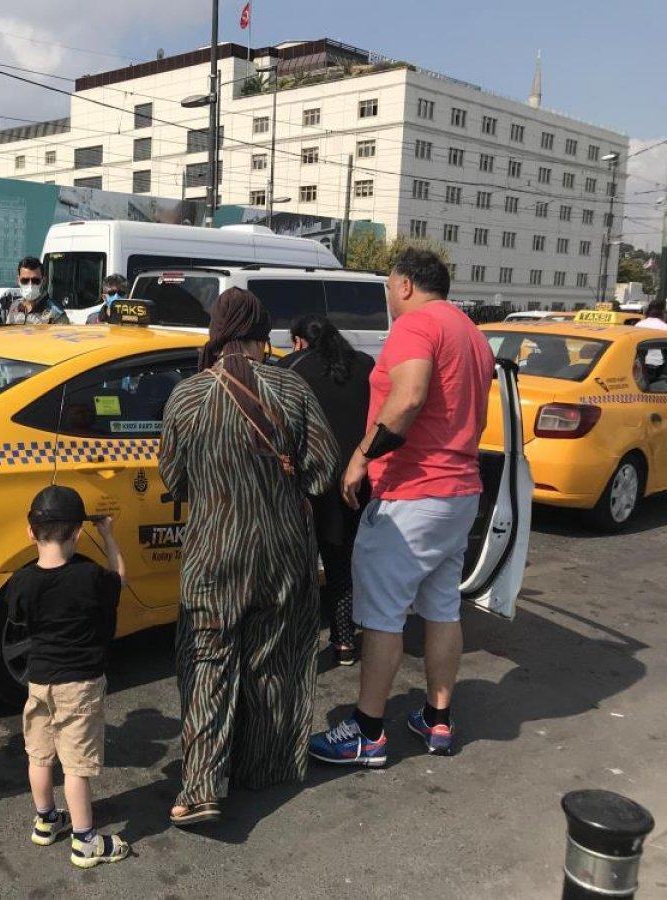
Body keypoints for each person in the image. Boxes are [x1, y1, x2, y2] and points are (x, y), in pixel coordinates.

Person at [159, 288, 338, 826]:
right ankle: (263, 769)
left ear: (216, 332)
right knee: (273, 656)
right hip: (283, 550)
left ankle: (202, 786)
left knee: (208, 658)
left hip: (214, 551)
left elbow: (173, 479)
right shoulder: (293, 387)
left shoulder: (188, 397)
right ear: (263, 332)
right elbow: (324, 470)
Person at [308, 248, 494, 767]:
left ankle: (368, 731)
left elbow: (408, 398)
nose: (389, 299)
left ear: (406, 285)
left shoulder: (417, 326)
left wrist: (360, 457)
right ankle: (438, 718)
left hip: (414, 492)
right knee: (440, 606)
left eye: (390, 288)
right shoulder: (471, 333)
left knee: (385, 614)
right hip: (459, 492)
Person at [6, 486, 131, 869]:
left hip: (39, 681)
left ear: (30, 532)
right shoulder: (91, 577)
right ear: (78, 532)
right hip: (80, 684)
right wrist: (108, 534)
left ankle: (46, 821)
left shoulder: (21, 581)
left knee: (39, 755)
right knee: (76, 767)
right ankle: (85, 841)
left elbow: (19, 618)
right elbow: (120, 579)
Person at [278, 315, 375, 666]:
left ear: (300, 341)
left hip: (307, 480)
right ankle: (345, 641)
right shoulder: (364, 364)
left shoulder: (291, 367)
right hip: (355, 478)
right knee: (342, 562)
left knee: (301, 569)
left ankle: (297, 648)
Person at [7, 256, 68, 325]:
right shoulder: (14, 306)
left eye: (35, 280)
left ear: (43, 281)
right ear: (18, 280)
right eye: (25, 280)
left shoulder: (56, 314)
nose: (30, 284)